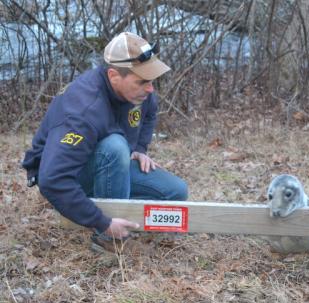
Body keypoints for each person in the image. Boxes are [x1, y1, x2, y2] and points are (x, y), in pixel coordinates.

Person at [22, 32, 188, 253]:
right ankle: (106, 238)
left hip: (109, 166)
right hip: (72, 175)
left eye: (151, 81)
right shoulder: (83, 111)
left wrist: (139, 148)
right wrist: (102, 222)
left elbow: (149, 113)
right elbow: (52, 179)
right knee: (115, 147)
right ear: (113, 75)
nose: (150, 88)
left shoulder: (139, 92)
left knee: (175, 192)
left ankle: (121, 215)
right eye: (143, 82)